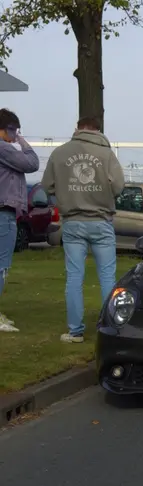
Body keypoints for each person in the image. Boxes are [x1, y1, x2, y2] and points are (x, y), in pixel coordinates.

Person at [42, 117, 125, 343]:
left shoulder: (60, 153)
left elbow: (47, 185)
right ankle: (112, 329)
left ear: (77, 128)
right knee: (108, 277)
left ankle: (75, 331)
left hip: (73, 221)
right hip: (101, 220)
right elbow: (118, 187)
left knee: (74, 278)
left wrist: (66, 192)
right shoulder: (107, 154)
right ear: (98, 130)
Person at [0, 108, 40, 332]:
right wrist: (22, 142)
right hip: (3, 212)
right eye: (13, 130)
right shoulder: (3, 147)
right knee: (1, 266)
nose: (15, 135)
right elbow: (32, 163)